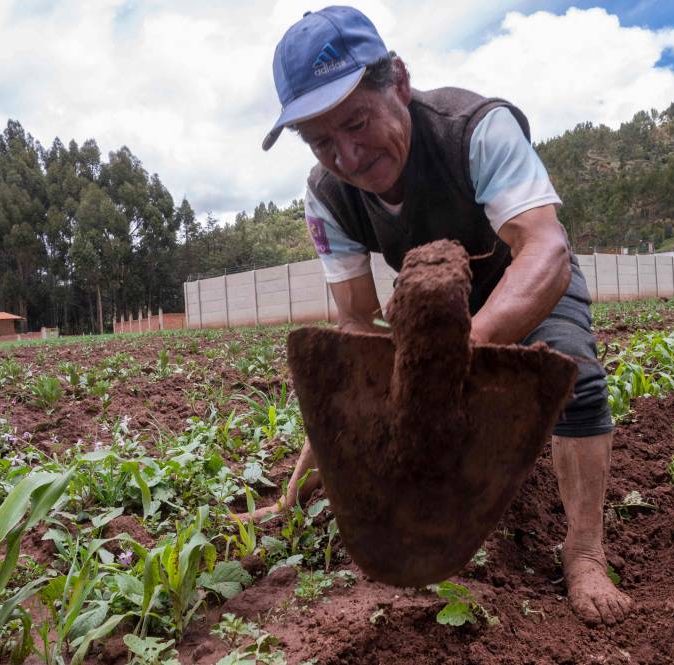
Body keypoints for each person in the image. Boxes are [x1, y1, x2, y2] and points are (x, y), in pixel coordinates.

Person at [254, 5, 632, 626]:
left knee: (577, 377)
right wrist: (364, 409)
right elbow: (356, 322)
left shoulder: (475, 129)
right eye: (322, 141)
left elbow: (545, 249)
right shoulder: (326, 196)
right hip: (433, 305)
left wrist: (461, 353)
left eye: (357, 122)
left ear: (398, 82)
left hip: (520, 278)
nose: (347, 155)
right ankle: (299, 495)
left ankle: (585, 551)